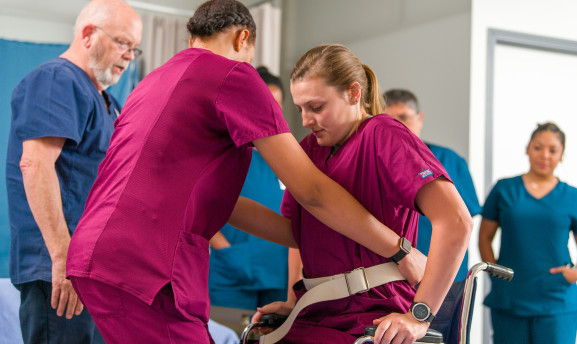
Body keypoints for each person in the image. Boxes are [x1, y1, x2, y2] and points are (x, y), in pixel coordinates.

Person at [66, 1, 433, 343]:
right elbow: (313, 193)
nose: (307, 122)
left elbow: (260, 216)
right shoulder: (233, 75)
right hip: (145, 263)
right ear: (244, 38)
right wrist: (402, 252)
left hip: (97, 252)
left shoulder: (151, 83)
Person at [253, 44, 472, 344]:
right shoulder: (308, 150)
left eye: (316, 108)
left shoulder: (383, 134)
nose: (305, 121)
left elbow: (457, 221)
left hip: (375, 314)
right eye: (300, 109)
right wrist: (294, 303)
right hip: (317, 311)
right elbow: (297, 234)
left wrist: (419, 316)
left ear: (354, 93)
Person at [5, 1, 142, 343]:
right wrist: (64, 261)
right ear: (87, 35)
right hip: (61, 270)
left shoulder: (107, 102)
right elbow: (35, 164)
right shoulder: (57, 80)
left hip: (92, 269)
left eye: (134, 48)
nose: (129, 56)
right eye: (123, 43)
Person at [479, 122, 577, 344]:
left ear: (562, 155)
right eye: (538, 147)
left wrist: (575, 273)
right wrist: (494, 271)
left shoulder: (572, 196)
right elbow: (485, 237)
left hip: (557, 299)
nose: (544, 155)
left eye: (553, 150)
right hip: (510, 295)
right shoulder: (504, 189)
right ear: (527, 148)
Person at [208, 66, 289, 310]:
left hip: (278, 270)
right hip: (232, 268)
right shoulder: (221, 152)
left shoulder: (286, 154)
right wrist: (225, 249)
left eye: (277, 106)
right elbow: (195, 202)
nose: (271, 113)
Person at [384, 89, 481, 283]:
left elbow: (462, 220)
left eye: (404, 117)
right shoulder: (376, 163)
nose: (398, 126)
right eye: (389, 120)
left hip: (447, 276)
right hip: (392, 275)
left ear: (420, 118)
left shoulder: (449, 160)